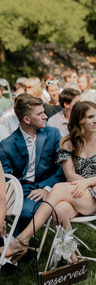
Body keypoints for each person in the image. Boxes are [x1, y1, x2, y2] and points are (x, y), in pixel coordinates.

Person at [0, 101, 96, 262]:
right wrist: (91, 184)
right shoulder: (67, 142)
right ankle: (72, 260)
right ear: (78, 120)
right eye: (90, 117)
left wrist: (90, 184)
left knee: (58, 188)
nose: (95, 121)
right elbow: (70, 174)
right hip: (78, 191)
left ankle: (21, 240)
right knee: (59, 210)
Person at [0, 94, 65, 234]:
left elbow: (61, 168)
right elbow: (6, 178)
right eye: (40, 114)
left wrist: (46, 189)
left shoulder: (53, 134)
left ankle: (13, 247)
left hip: (47, 186)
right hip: (19, 189)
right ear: (27, 119)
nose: (45, 117)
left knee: (25, 211)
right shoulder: (7, 145)